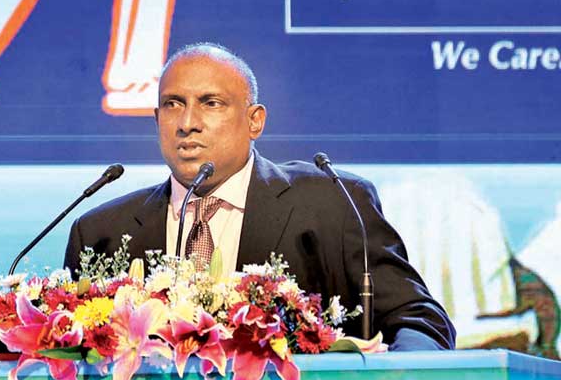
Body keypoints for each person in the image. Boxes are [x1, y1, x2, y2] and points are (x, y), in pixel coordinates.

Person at [64, 42, 455, 351]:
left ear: (255, 121)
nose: (187, 124)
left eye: (211, 103)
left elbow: (417, 319)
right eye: (173, 105)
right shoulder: (101, 233)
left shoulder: (333, 205)